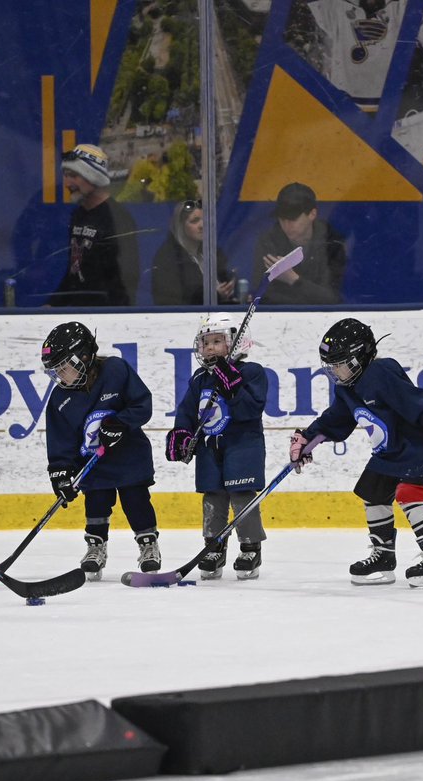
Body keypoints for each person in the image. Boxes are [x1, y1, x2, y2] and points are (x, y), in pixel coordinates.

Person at [289, 319, 423, 587]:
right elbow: (337, 419)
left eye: (340, 363)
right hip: (387, 454)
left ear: (360, 355)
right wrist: (308, 438)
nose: (335, 370)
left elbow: (416, 399)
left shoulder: (380, 371)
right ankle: (383, 557)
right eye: (331, 364)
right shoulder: (346, 386)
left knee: (409, 494)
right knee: (372, 492)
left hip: (416, 447)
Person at [41, 321, 160, 579]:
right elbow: (61, 442)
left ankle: (148, 545)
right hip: (93, 465)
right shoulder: (60, 399)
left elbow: (142, 404)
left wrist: (120, 423)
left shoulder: (115, 370)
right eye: (55, 371)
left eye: (64, 368)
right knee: (96, 504)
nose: (60, 376)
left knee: (136, 502)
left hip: (130, 459)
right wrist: (61, 472)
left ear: (84, 356)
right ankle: (96, 548)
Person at [166, 314, 269, 579]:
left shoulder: (251, 372)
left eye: (217, 341)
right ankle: (213, 547)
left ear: (235, 343)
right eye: (205, 342)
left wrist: (233, 387)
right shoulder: (200, 377)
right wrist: (181, 432)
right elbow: (187, 410)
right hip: (209, 447)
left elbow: (251, 410)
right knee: (212, 495)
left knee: (242, 494)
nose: (209, 347)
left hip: (242, 446)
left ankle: (249, 547)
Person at [49, 145, 139, 306]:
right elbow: (75, 271)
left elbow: (127, 279)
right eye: (66, 175)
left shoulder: (118, 218)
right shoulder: (78, 214)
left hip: (106, 316)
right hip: (81, 313)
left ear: (93, 176)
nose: (67, 183)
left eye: (74, 176)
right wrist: (53, 304)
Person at [253, 183, 347, 305]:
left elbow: (332, 298)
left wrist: (293, 279)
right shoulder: (269, 241)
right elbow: (261, 294)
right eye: (282, 219)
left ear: (312, 214)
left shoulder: (332, 243)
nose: (286, 225)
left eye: (293, 219)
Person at [151, 200, 237, 305]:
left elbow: (225, 286)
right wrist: (216, 295)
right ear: (181, 226)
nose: (202, 225)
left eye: (204, 219)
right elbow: (172, 302)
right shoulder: (168, 258)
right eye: (194, 221)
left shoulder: (214, 254)